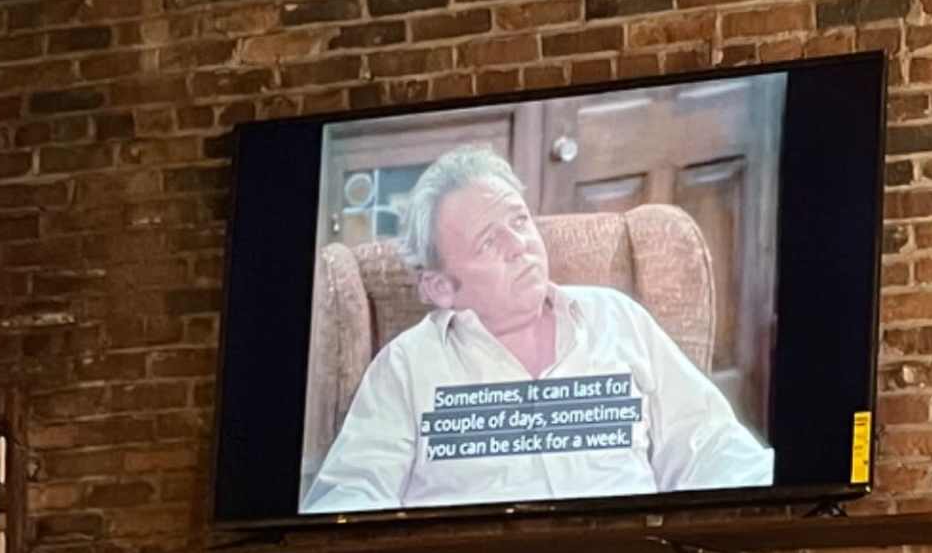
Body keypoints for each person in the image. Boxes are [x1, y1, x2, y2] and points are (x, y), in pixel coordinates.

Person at [303, 146, 771, 512]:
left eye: (519, 220)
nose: (520, 246)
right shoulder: (408, 367)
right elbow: (351, 496)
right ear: (442, 287)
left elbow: (711, 448)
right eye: (490, 241)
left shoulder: (616, 320)